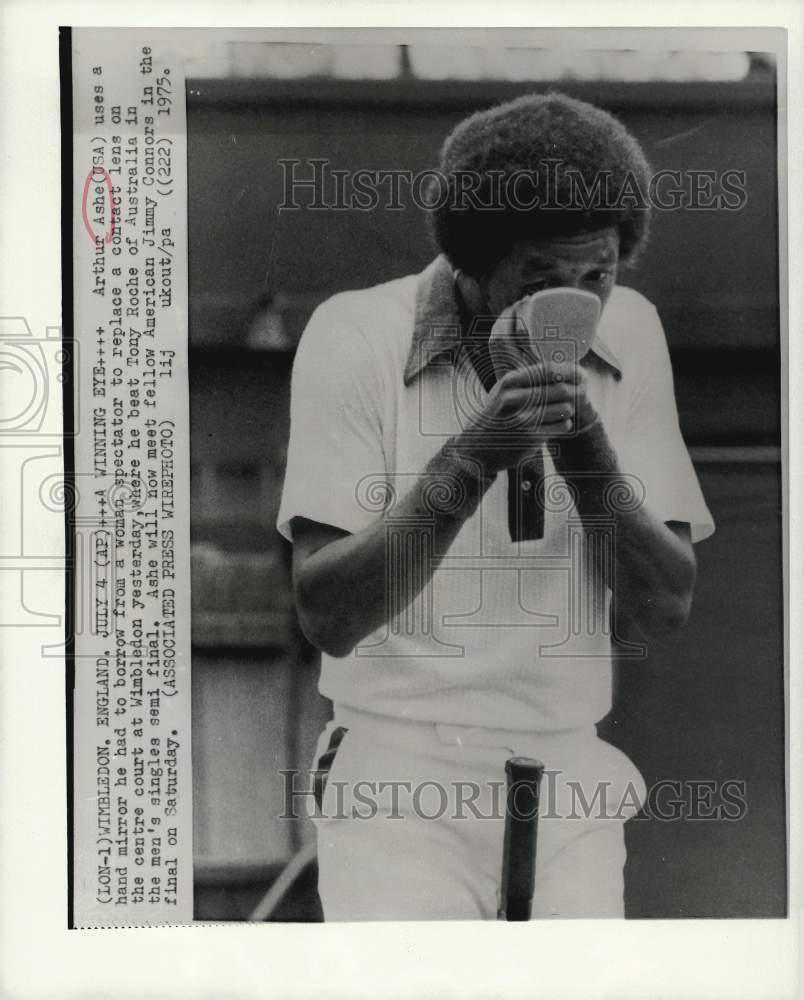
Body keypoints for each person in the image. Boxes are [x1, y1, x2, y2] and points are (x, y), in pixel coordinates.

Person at [276, 92, 714, 920]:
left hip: (570, 773)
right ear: (472, 268)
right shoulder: (355, 334)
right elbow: (328, 612)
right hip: (399, 779)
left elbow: (666, 603)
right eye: (545, 278)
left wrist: (583, 443)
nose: (579, 301)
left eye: (600, 273)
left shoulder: (635, 329)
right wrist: (477, 455)